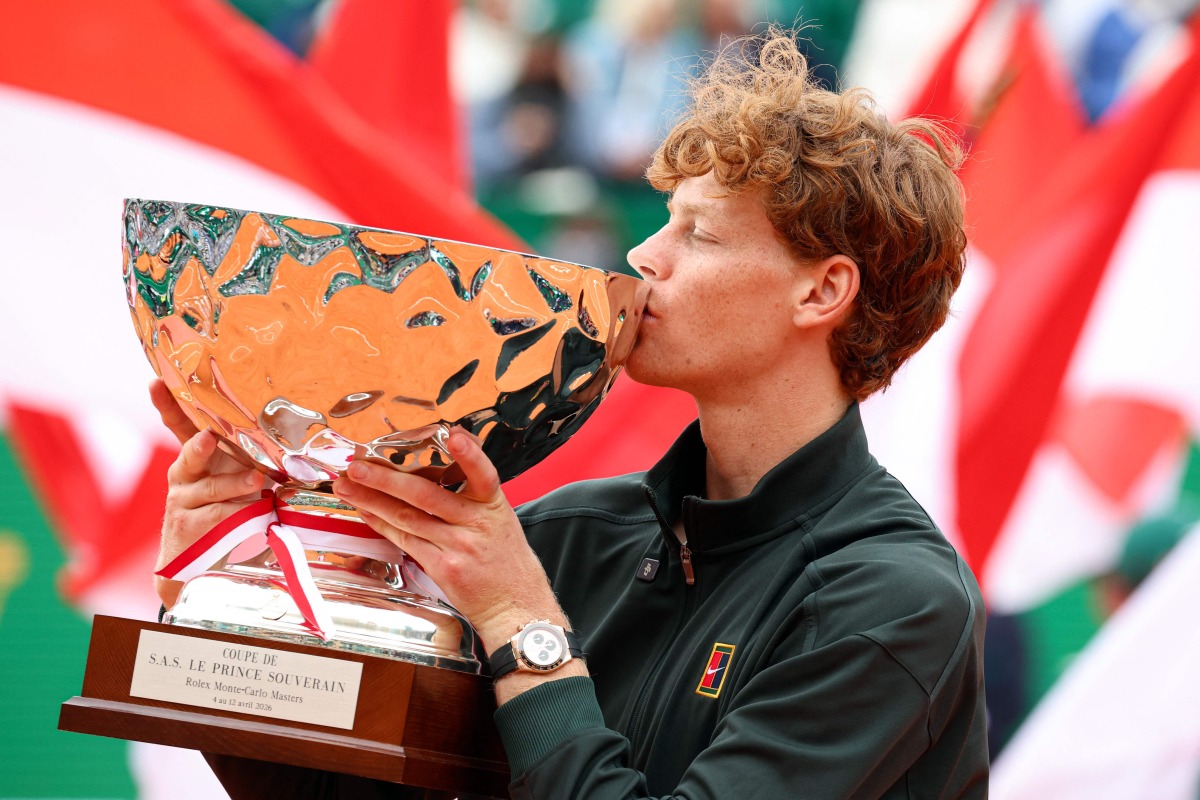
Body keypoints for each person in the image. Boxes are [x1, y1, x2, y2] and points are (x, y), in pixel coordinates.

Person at [152, 29, 988, 799]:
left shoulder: (894, 600)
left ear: (822, 291)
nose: (641, 256)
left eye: (697, 236)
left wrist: (524, 628)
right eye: (664, 220)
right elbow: (341, 794)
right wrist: (224, 593)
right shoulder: (572, 533)